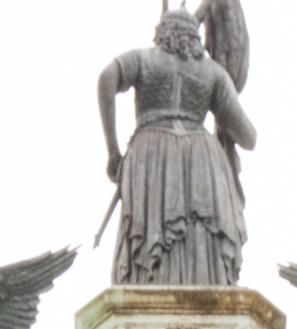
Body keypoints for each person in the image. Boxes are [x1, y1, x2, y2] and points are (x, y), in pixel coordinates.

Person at [99, 7, 256, 286]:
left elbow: (107, 78)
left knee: (152, 237)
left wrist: (112, 150)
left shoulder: (144, 58)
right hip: (203, 157)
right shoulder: (213, 73)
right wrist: (224, 125)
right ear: (197, 38)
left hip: (151, 151)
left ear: (161, 33)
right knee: (201, 228)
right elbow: (249, 137)